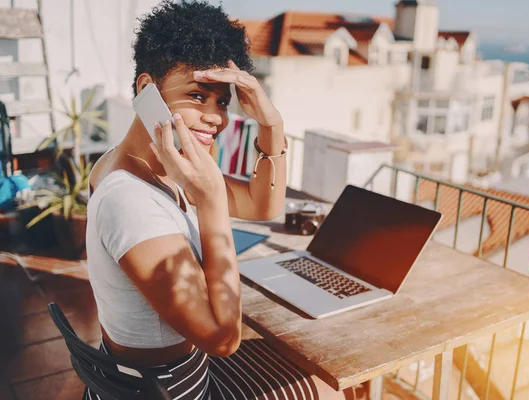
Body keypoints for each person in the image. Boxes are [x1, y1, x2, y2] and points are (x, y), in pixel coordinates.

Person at [86, 1, 349, 399]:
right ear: (147, 90)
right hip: (175, 389)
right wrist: (210, 205)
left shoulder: (145, 164)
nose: (216, 118)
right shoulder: (130, 201)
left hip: (165, 374)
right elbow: (224, 341)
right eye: (197, 95)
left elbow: (265, 207)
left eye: (222, 101)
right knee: (333, 389)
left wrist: (271, 123)